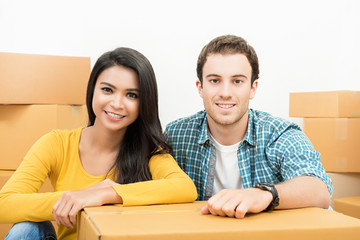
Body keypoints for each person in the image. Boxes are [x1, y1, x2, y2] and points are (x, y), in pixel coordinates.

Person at [0, 47, 197, 240]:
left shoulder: (149, 153)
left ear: (144, 102)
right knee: (26, 229)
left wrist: (106, 194)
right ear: (92, 89)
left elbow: (185, 188)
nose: (117, 103)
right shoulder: (57, 143)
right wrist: (76, 198)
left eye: (131, 95)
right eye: (107, 90)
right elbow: (4, 204)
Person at [164, 35, 333, 219]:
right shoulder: (176, 135)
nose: (225, 93)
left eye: (237, 81)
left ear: (253, 88)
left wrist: (265, 194)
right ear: (200, 87)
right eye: (214, 81)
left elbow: (320, 189)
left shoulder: (279, 134)